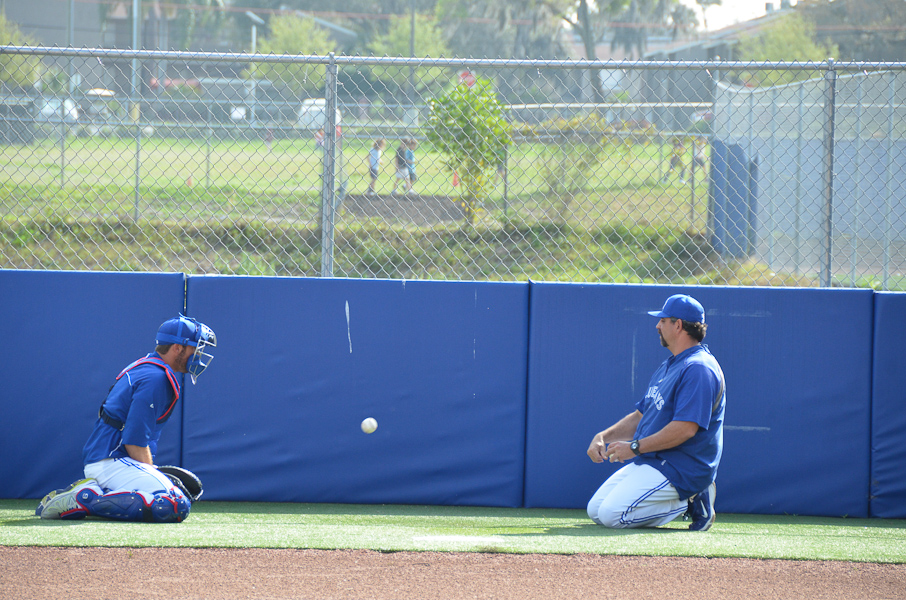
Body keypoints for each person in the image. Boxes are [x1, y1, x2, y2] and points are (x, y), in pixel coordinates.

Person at [35, 315, 217, 523]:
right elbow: (134, 441)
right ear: (178, 347)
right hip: (112, 461)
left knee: (182, 493)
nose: (199, 355)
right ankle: (85, 497)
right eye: (196, 348)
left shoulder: (149, 367)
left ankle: (97, 491)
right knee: (173, 503)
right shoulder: (155, 378)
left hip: (112, 459)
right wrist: (150, 472)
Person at [586, 294, 725, 531]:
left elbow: (685, 429)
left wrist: (634, 447)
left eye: (663, 320)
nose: (657, 325)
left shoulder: (699, 369)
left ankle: (691, 500)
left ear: (678, 325)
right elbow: (641, 415)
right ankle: (686, 500)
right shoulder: (671, 363)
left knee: (612, 515)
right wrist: (603, 437)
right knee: (596, 511)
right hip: (655, 460)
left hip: (683, 466)